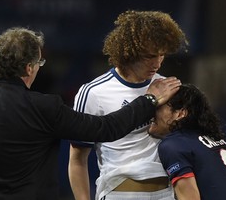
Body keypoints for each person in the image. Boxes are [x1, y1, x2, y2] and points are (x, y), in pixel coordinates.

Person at [0, 27, 182, 200]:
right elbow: (106, 128)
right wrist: (149, 100)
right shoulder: (45, 108)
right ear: (29, 68)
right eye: (40, 62)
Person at [68, 10, 188, 200]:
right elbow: (77, 160)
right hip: (120, 193)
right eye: (149, 56)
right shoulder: (93, 92)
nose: (157, 63)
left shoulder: (168, 87)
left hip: (167, 193)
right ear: (128, 52)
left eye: (162, 54)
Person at [148, 84, 226, 200]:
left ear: (180, 114)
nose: (152, 112)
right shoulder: (210, 138)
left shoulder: (172, 145)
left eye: (159, 107)